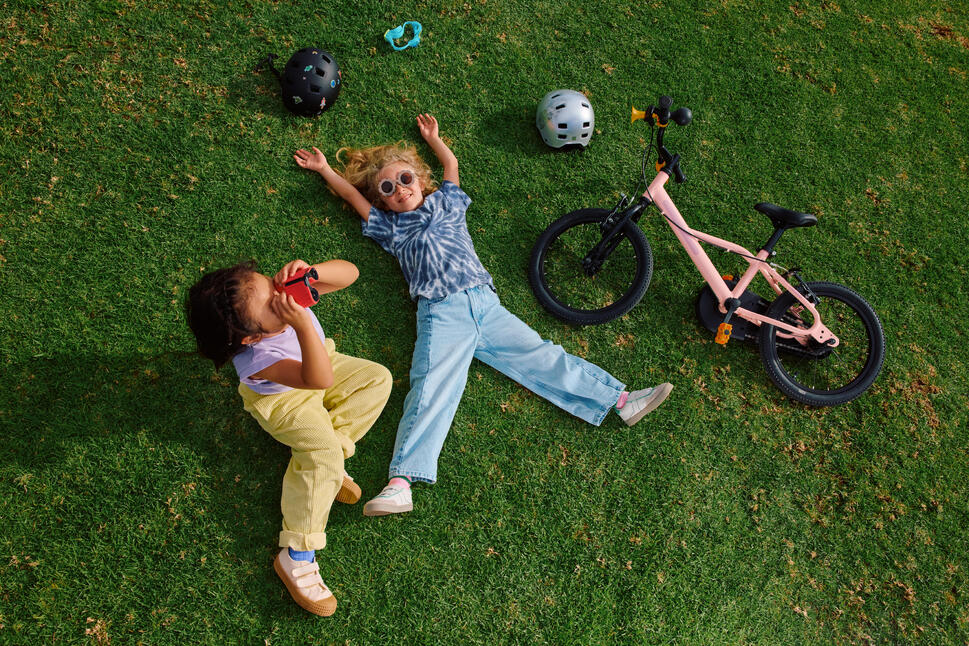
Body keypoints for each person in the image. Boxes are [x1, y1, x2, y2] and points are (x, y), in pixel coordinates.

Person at [293, 113, 672, 517]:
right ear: (382, 200)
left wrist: (435, 141)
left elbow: (452, 168)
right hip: (441, 313)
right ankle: (400, 482)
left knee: (543, 355)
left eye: (405, 179)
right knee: (433, 389)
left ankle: (620, 400)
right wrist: (326, 170)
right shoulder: (391, 229)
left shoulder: (447, 202)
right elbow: (354, 199)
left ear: (420, 180)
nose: (399, 190)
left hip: (485, 304)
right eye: (387, 188)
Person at [185, 259, 392, 617]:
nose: (283, 296)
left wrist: (314, 274)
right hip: (286, 399)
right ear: (251, 337)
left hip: (320, 362)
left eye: (271, 283)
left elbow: (351, 274)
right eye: (272, 304)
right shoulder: (259, 357)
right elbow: (318, 379)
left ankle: (329, 460)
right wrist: (300, 325)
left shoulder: (283, 299)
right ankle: (297, 552)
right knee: (320, 449)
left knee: (377, 378)